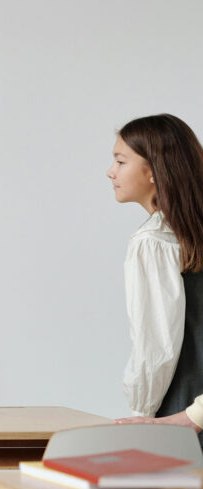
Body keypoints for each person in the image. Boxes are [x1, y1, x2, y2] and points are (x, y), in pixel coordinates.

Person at [106, 114, 203, 446]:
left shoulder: (153, 241)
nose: (111, 172)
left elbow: (156, 347)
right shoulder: (189, 237)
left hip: (181, 410)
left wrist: (141, 415)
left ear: (152, 171)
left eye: (120, 161)